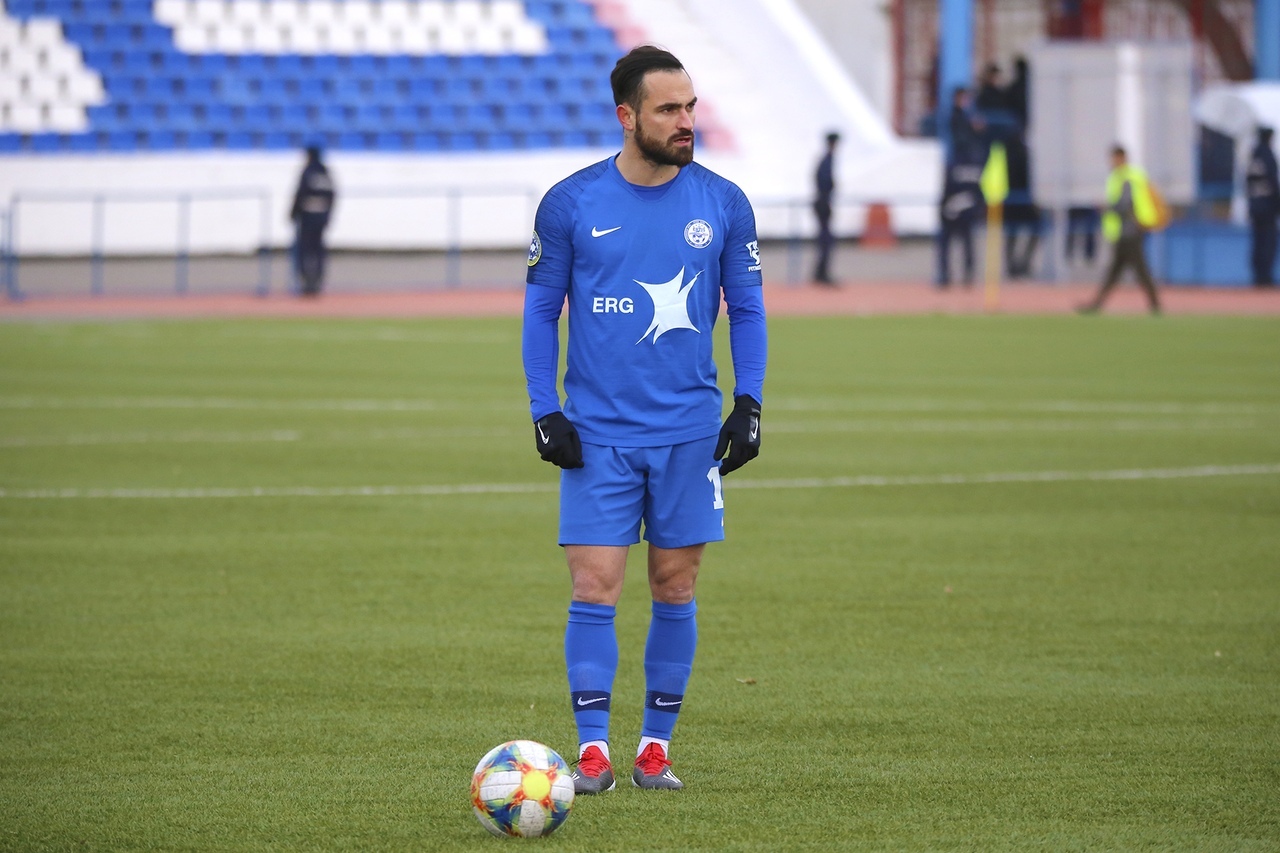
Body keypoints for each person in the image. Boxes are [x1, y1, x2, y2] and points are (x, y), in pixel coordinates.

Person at [521, 45, 767, 795]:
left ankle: (654, 748)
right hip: (597, 434)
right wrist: (545, 410)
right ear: (627, 117)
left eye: (690, 106)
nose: (686, 120)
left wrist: (749, 402)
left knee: (675, 582)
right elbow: (540, 311)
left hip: (690, 432)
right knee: (594, 584)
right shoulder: (570, 203)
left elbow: (747, 310)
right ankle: (593, 752)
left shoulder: (724, 202)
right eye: (668, 109)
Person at [1078, 145, 1161, 314]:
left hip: (1131, 230)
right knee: (1117, 271)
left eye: (1114, 158)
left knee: (1138, 270)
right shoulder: (1123, 176)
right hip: (1126, 231)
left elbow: (1124, 204)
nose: (1112, 162)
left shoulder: (1126, 177)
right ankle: (1097, 304)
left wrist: (1106, 208)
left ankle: (1155, 305)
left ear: (1121, 158)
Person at [289, 145, 335, 297]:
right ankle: (317, 280)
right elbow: (331, 195)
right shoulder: (325, 172)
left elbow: (300, 193)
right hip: (321, 216)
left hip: (307, 216)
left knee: (305, 250)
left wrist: (293, 212)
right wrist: (328, 215)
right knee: (318, 250)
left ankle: (306, 281)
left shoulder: (308, 171)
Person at [937, 141, 983, 288]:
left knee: (957, 245)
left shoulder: (953, 165)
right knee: (963, 245)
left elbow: (947, 188)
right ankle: (956, 275)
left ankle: (947, 275)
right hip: (962, 211)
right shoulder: (976, 166)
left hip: (955, 211)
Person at [1245, 125, 1279, 287]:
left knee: (1258, 243)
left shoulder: (1253, 156)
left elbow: (1247, 182)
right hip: (1268, 208)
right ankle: (1265, 277)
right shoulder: (1268, 156)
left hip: (1255, 207)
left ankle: (1258, 276)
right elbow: (1273, 183)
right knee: (1267, 242)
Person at [812, 131, 840, 285]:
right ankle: (821, 274)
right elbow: (824, 182)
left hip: (822, 202)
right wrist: (826, 200)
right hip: (823, 203)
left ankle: (821, 273)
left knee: (825, 240)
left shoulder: (826, 159)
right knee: (826, 241)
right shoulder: (827, 159)